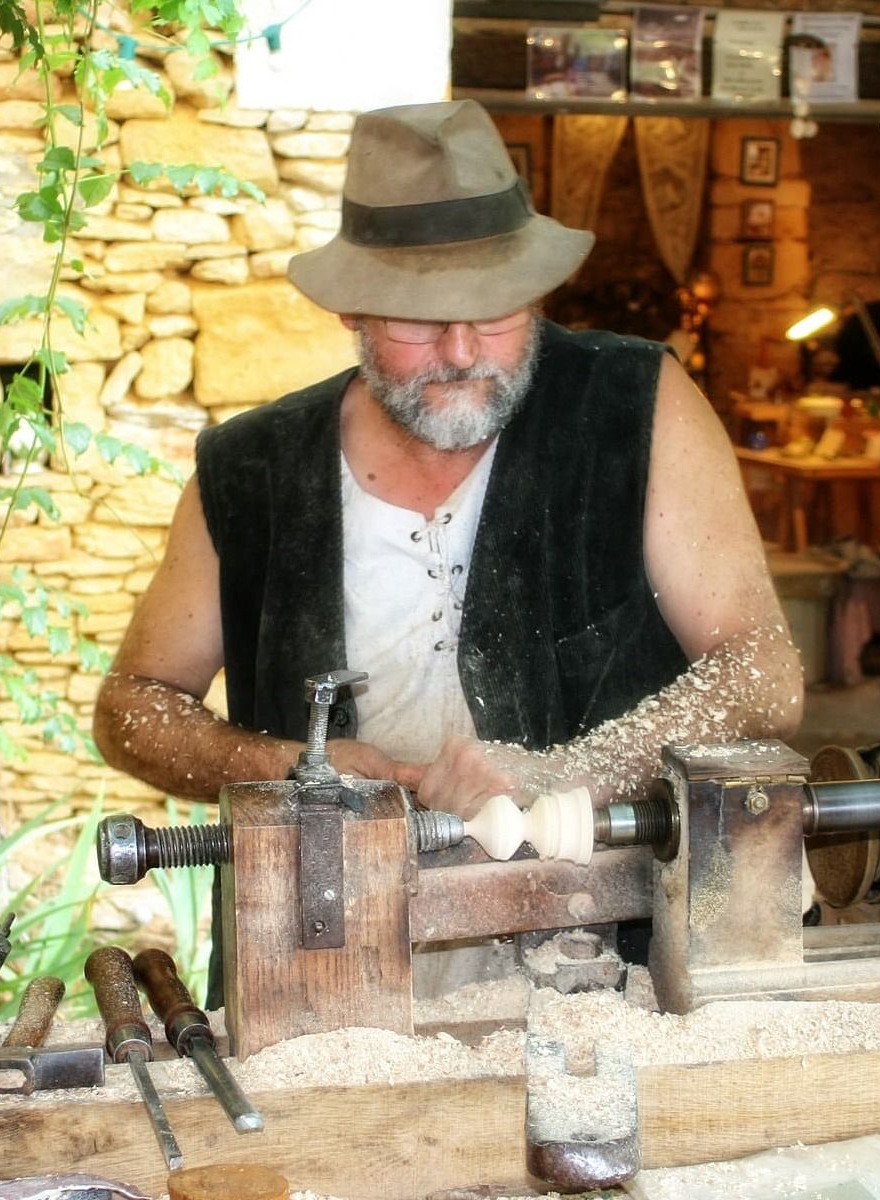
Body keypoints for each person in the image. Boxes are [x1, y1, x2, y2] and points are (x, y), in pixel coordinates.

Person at [93, 101, 801, 987]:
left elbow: (762, 670)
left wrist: (566, 773)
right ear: (352, 311)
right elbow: (133, 707)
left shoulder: (636, 408)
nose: (464, 349)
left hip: (612, 959)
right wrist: (287, 771)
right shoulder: (252, 470)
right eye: (420, 319)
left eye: (496, 310)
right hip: (323, 979)